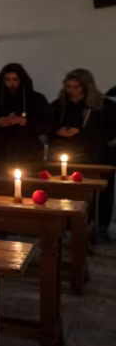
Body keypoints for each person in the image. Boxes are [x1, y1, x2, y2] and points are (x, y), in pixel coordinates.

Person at [49, 69, 115, 238]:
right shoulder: (59, 105)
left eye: (76, 87)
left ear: (86, 87)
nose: (72, 91)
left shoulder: (103, 105)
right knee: (68, 193)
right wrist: (57, 131)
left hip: (96, 155)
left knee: (99, 195)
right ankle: (68, 225)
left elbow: (110, 132)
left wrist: (80, 132)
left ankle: (99, 227)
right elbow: (46, 126)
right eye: (69, 87)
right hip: (66, 154)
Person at [0, 63, 51, 175]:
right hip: (0, 155)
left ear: (22, 80)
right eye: (8, 80)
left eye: (15, 79)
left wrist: (25, 122)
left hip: (28, 154)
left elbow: (48, 125)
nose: (11, 84)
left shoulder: (36, 99)